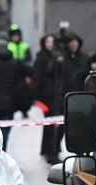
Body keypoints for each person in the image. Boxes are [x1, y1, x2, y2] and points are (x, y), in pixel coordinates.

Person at [33, 34, 71, 164]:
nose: (50, 44)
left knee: (55, 124)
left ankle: (50, 149)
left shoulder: (58, 57)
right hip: (47, 97)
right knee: (50, 124)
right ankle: (50, 151)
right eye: (48, 41)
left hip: (57, 95)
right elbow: (37, 79)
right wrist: (37, 98)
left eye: (52, 41)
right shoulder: (42, 58)